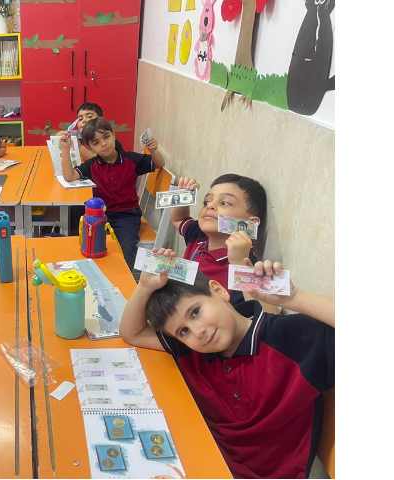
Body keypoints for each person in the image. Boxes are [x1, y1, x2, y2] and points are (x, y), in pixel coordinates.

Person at [119, 250, 334, 478]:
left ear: (219, 290)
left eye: (195, 312)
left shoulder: (293, 339)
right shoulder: (190, 351)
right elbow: (132, 333)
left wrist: (294, 298)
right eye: (183, 331)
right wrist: (144, 288)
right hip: (202, 460)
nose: (198, 331)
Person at [60, 117, 164, 273]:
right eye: (96, 142)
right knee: (90, 248)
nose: (103, 143)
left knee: (126, 252)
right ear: (89, 147)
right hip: (99, 216)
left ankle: (125, 279)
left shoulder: (131, 159)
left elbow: (159, 163)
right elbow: (69, 176)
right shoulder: (92, 165)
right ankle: (100, 276)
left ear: (114, 135)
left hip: (127, 216)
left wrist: (154, 150)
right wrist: (65, 150)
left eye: (106, 137)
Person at [170, 174, 267, 293]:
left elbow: (257, 302)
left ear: (251, 224)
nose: (210, 206)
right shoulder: (198, 235)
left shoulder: (246, 266)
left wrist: (240, 264)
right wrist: (183, 196)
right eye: (206, 202)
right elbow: (179, 220)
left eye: (224, 203)